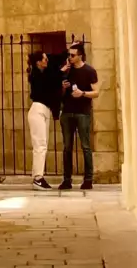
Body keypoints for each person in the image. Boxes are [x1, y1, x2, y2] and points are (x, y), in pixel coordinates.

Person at [58, 41, 99, 191]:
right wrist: (63, 87)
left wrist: (82, 93)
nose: (70, 57)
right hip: (67, 112)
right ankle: (66, 180)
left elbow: (96, 92)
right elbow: (59, 94)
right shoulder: (66, 71)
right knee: (67, 147)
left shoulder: (90, 71)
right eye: (69, 55)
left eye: (73, 55)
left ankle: (88, 179)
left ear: (80, 56)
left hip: (83, 112)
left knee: (85, 146)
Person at [26, 50, 61, 189]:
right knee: (40, 145)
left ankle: (37, 176)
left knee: (42, 144)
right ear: (38, 62)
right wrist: (59, 73)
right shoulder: (36, 75)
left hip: (44, 111)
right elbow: (48, 83)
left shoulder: (43, 74)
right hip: (38, 110)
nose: (47, 61)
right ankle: (38, 178)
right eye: (44, 59)